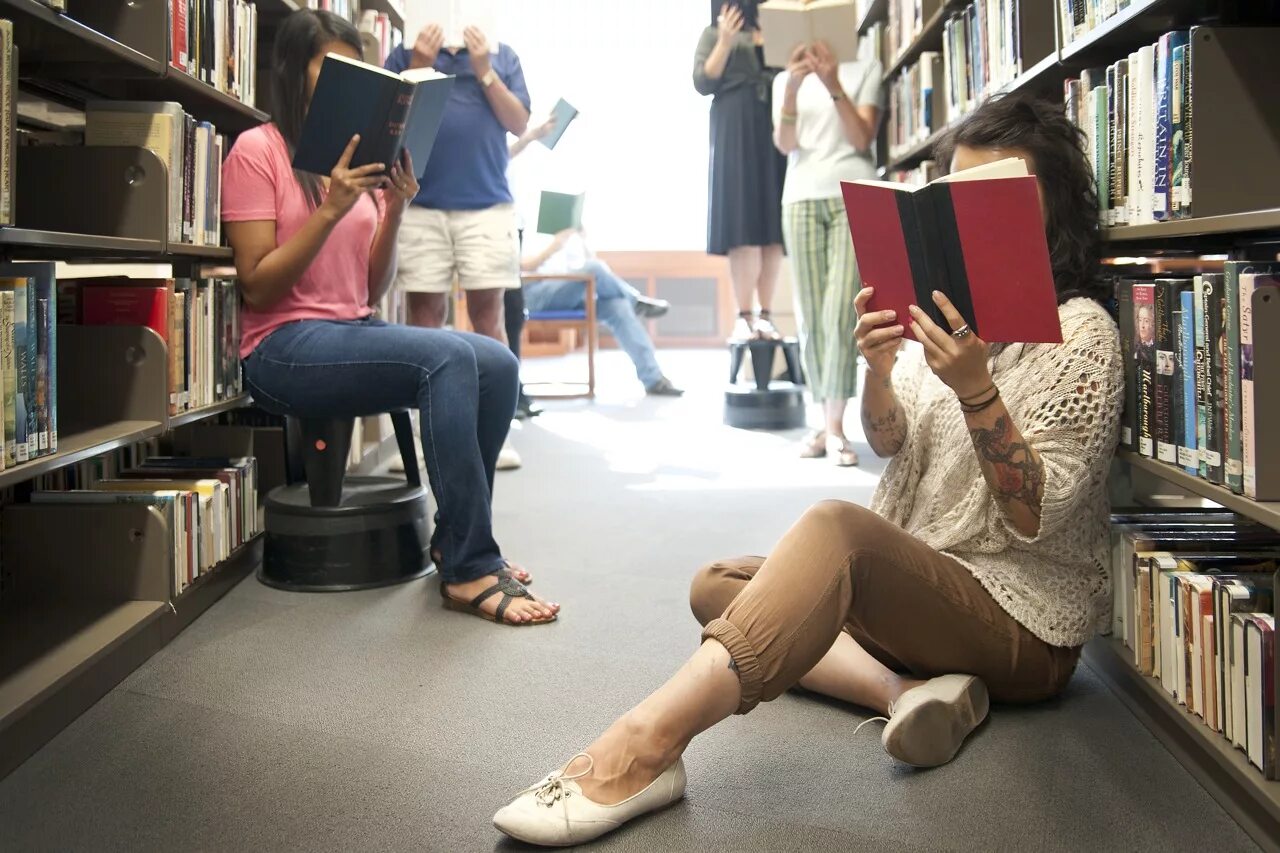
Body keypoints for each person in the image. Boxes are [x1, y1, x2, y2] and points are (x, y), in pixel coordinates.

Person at [491, 94, 1123, 846]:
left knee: (833, 533)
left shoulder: (1084, 333)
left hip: (1021, 625)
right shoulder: (953, 319)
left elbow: (1030, 518)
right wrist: (881, 370)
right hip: (930, 602)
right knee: (717, 584)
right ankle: (909, 692)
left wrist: (978, 389)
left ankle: (645, 745)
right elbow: (887, 440)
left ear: (1046, 213)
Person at [223, 9, 557, 624]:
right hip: (280, 347)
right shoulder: (257, 151)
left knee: (498, 363)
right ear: (297, 72)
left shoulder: (362, 164)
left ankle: (456, 536)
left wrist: (396, 208)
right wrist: (330, 209)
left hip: (352, 329)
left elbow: (369, 292)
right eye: (333, 67)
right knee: (449, 354)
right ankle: (467, 568)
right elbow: (259, 288)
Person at [384, 20, 531, 467]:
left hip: (486, 205)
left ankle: (493, 436)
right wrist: (418, 69)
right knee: (423, 321)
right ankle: (424, 439)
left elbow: (519, 122)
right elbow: (386, 127)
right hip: (420, 204)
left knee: (490, 317)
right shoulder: (405, 54)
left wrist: (485, 70)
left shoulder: (501, 51)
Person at [774, 40, 883, 466]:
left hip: (851, 193)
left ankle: (835, 427)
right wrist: (791, 88)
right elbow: (785, 144)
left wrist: (832, 81)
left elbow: (860, 137)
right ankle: (823, 421)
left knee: (840, 309)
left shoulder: (865, 67)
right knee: (809, 312)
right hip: (799, 197)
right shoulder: (786, 76)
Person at [693, 1, 787, 342]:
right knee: (742, 220)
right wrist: (726, 40)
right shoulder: (713, 33)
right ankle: (744, 315)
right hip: (733, 128)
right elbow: (703, 81)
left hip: (774, 125)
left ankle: (767, 314)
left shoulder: (778, 29)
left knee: (773, 226)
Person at [522, 229, 684, 397]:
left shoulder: (569, 236)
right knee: (594, 268)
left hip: (572, 292)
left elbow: (589, 266)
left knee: (618, 305)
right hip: (536, 296)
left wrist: (581, 241)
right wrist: (554, 245)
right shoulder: (528, 232)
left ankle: (653, 379)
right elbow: (522, 266)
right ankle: (635, 301)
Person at [506, 115, 559, 421]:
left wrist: (533, 136)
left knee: (513, 312)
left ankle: (516, 392)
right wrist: (532, 136)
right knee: (508, 311)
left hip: (514, 222)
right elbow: (502, 155)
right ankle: (512, 394)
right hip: (497, 221)